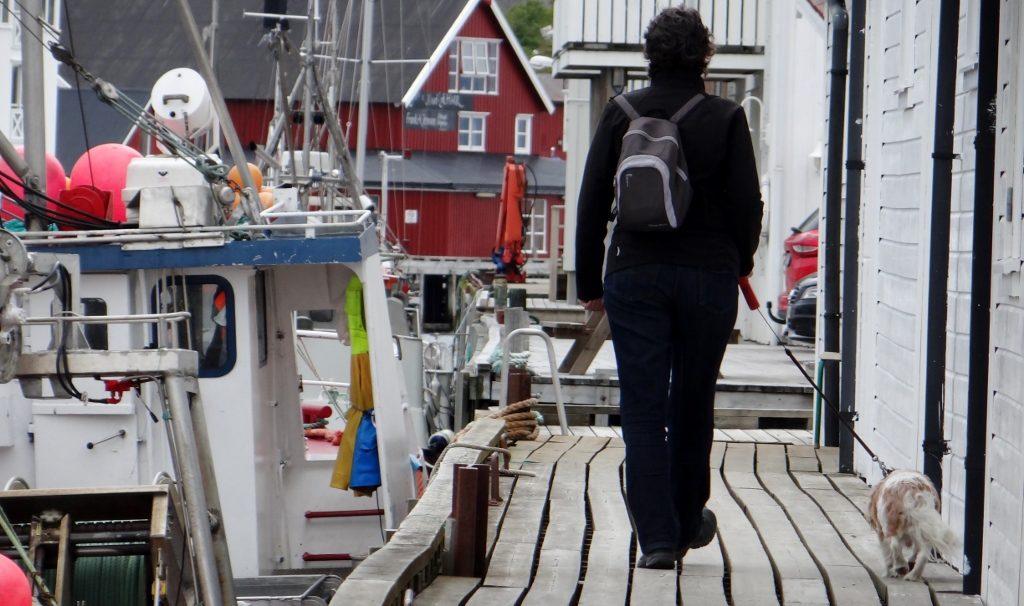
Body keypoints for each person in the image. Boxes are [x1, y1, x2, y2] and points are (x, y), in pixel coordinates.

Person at [575, 6, 763, 570]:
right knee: (693, 400)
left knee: (642, 405)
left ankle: (656, 537)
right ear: (705, 55)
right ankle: (686, 519)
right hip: (707, 275)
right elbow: (747, 203)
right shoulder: (725, 116)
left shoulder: (620, 112)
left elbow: (591, 201)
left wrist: (589, 282)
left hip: (634, 272)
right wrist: (739, 261)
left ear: (649, 55)